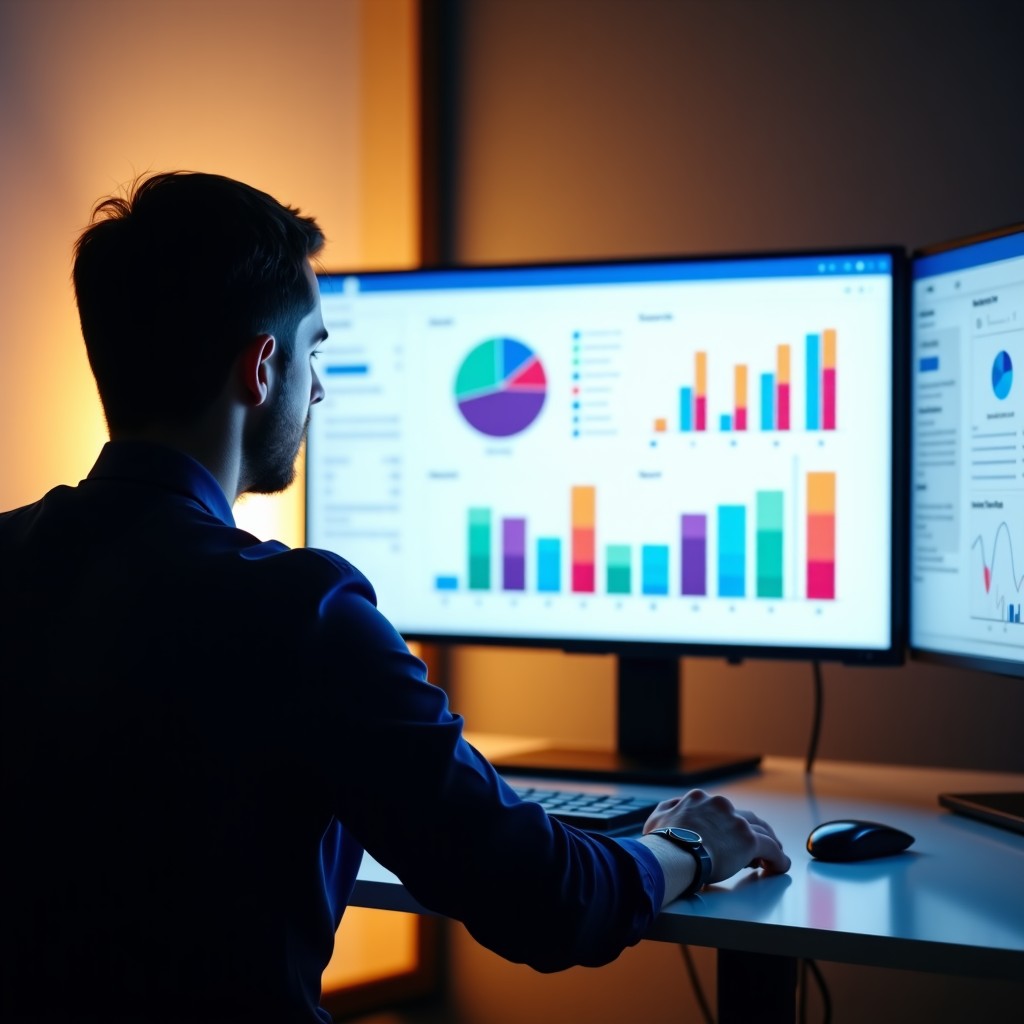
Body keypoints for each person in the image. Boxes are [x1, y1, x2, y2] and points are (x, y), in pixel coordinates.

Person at [0, 171, 791, 1023]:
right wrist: (686, 847)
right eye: (317, 351)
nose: (321, 390)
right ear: (263, 367)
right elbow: (547, 901)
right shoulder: (297, 610)